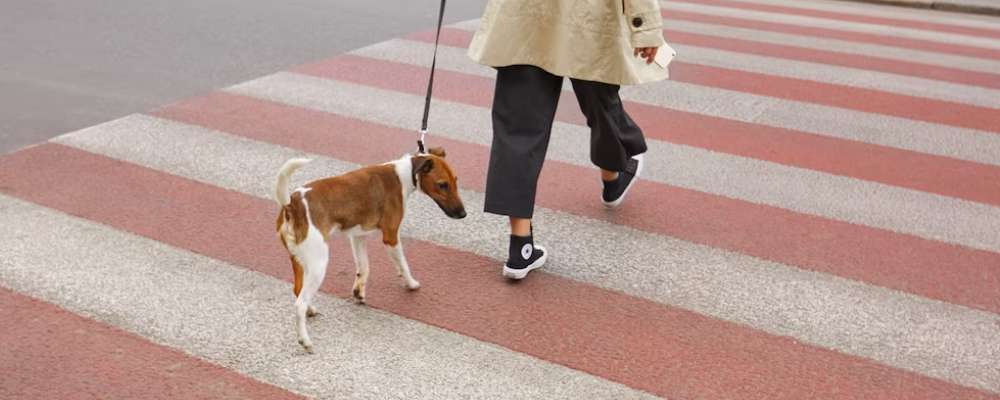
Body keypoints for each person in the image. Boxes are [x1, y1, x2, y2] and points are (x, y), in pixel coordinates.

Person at [467, 0, 672, 279]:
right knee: (601, 102)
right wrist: (646, 27)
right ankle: (613, 174)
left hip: (525, 16)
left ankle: (520, 247)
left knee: (519, 126)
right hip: (589, 17)